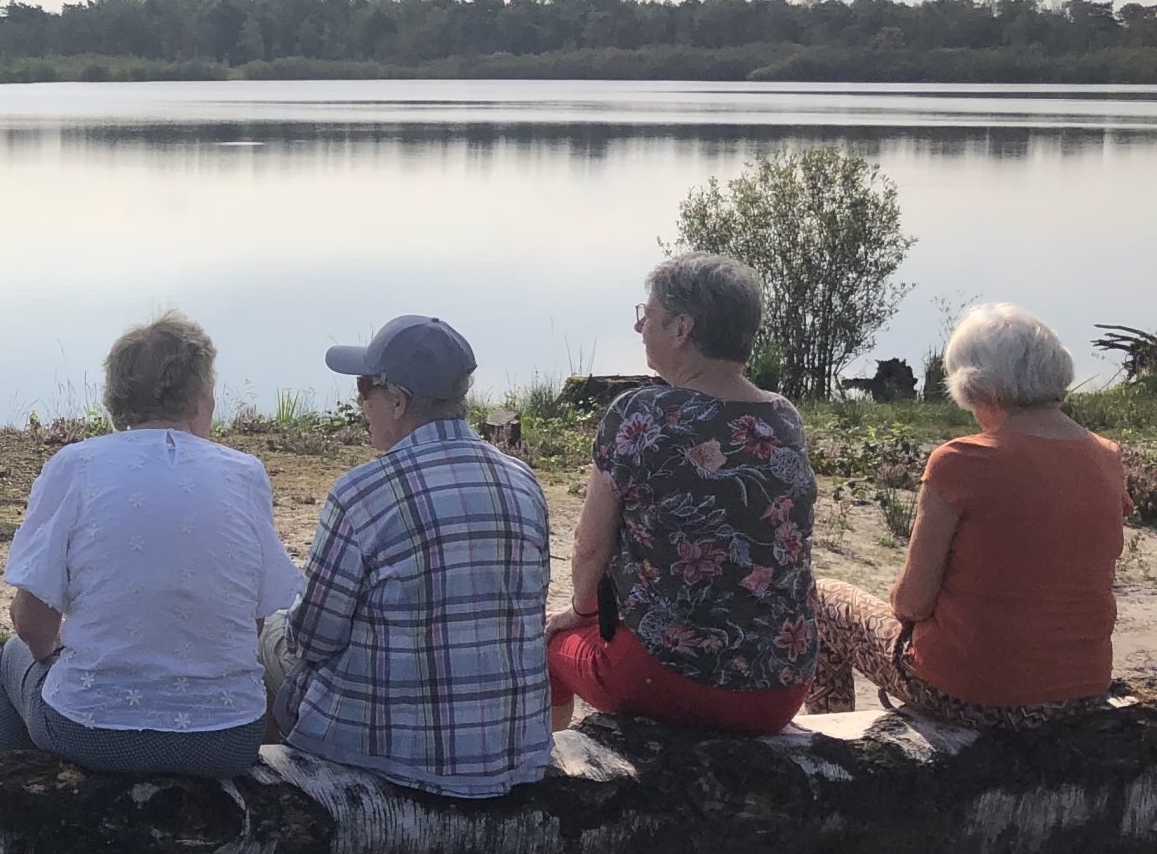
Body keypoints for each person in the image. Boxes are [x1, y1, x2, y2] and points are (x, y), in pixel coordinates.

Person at [0, 313, 298, 777]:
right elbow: (252, 623)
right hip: (229, 738)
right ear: (199, 396)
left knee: (12, 657)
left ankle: (17, 813)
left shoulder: (75, 466)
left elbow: (33, 626)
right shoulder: (245, 473)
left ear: (117, 397)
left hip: (93, 731)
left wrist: (58, 656)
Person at [264, 315, 553, 796]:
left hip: (396, 759)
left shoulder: (362, 493)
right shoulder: (524, 483)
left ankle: (280, 804)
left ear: (397, 400)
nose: (359, 402)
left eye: (364, 388)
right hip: (515, 754)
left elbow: (313, 638)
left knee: (272, 638)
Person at [810, 304, 1129, 728]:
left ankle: (833, 747)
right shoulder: (1108, 457)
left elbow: (912, 603)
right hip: (1082, 689)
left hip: (971, 693)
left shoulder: (961, 460)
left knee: (823, 599)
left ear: (976, 385)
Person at [554, 253, 816, 736]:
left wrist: (582, 614)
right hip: (779, 690)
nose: (638, 326)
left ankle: (558, 788)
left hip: (665, 680)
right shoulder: (783, 417)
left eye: (648, 315)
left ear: (682, 328)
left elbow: (590, 548)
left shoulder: (638, 414)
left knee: (548, 647)